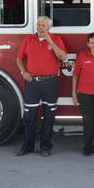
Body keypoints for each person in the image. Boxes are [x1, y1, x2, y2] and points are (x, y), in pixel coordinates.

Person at [15, 16, 67, 157]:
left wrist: (50, 41)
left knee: (49, 116)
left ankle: (45, 147)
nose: (41, 27)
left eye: (44, 25)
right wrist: (23, 72)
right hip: (32, 82)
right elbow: (19, 58)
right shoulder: (28, 40)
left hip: (50, 82)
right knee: (30, 117)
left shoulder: (56, 39)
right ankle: (27, 147)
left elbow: (63, 56)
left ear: (49, 27)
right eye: (39, 24)